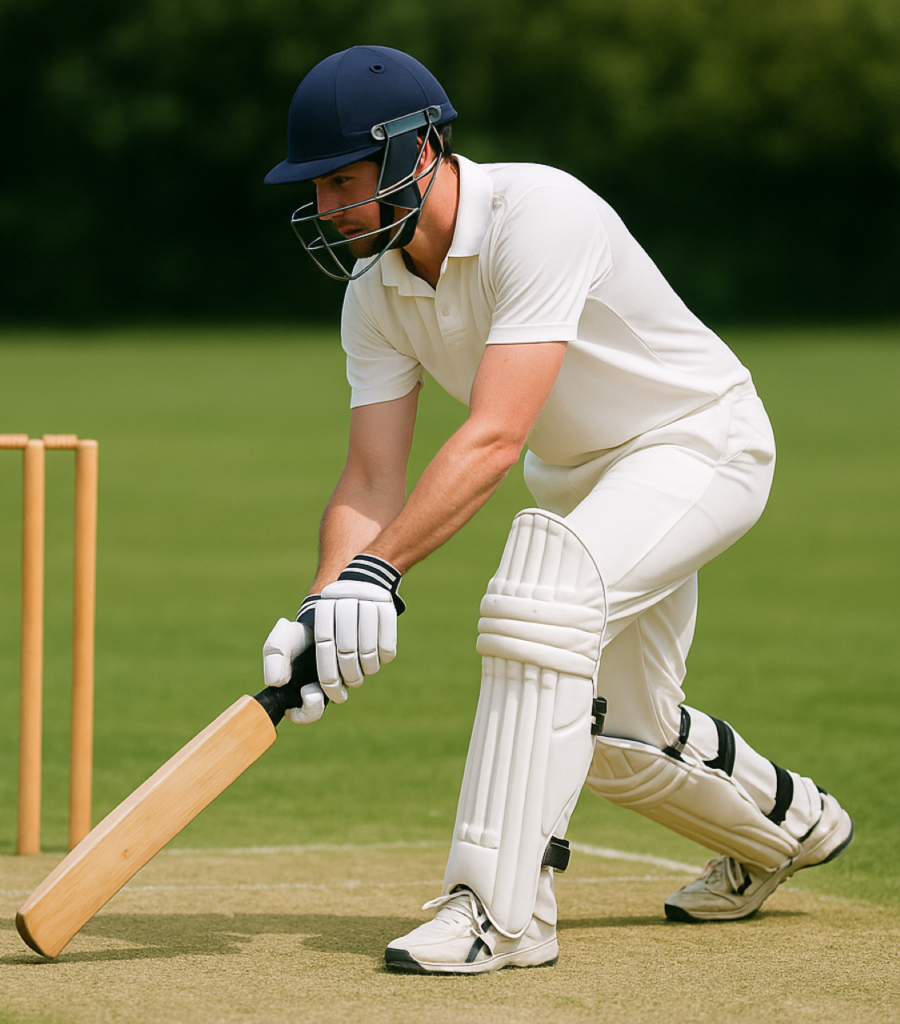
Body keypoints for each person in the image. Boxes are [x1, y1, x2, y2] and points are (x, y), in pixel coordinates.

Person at [260, 45, 853, 975]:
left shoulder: (539, 214)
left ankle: (499, 911)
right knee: (621, 736)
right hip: (582, 478)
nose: (333, 208)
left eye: (345, 180)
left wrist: (381, 575)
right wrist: (325, 602)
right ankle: (788, 828)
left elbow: (494, 436)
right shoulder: (374, 294)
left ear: (417, 152)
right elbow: (370, 480)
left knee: (535, 605)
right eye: (320, 187)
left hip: (699, 444)